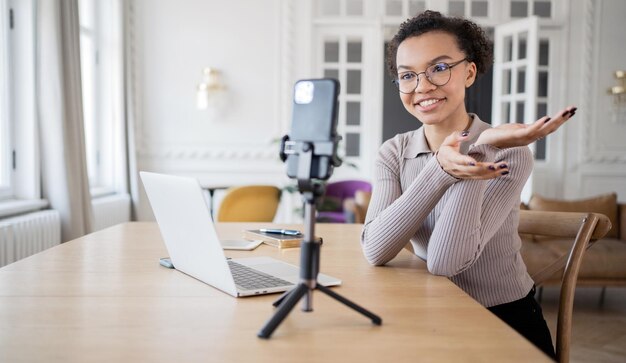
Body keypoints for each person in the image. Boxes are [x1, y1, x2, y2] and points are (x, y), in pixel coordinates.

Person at [360, 10, 575, 360]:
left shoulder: (511, 152)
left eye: (439, 68)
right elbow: (375, 250)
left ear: (470, 72)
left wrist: (479, 150)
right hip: (428, 313)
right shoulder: (393, 153)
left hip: (504, 321)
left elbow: (446, 261)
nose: (423, 86)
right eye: (407, 75)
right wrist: (441, 170)